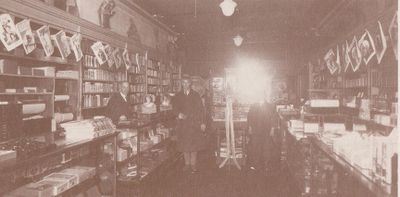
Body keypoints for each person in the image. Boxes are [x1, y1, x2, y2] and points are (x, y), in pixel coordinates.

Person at [172, 76, 206, 173]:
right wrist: (178, 114)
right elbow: (174, 108)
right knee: (184, 145)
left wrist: (203, 123)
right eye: (184, 83)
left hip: (194, 124)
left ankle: (193, 164)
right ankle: (187, 164)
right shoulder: (178, 96)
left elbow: (201, 110)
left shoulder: (195, 95)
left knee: (194, 145)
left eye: (187, 83)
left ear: (190, 84)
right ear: (182, 84)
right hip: (183, 124)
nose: (185, 85)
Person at [247, 89, 277, 172]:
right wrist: (249, 127)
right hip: (255, 129)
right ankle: (255, 164)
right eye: (259, 95)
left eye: (262, 95)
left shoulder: (270, 106)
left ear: (264, 96)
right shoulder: (253, 106)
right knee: (255, 147)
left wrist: (272, 128)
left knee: (266, 148)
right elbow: (249, 117)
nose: (260, 96)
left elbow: (273, 118)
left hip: (266, 130)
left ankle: (266, 164)